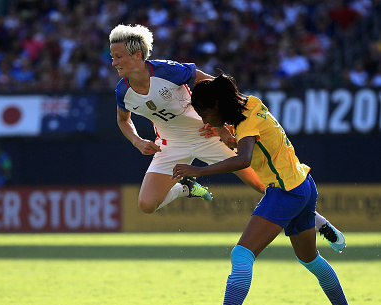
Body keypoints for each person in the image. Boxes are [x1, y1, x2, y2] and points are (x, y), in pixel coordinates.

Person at [108, 24, 345, 252]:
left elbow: (215, 86)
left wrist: (220, 125)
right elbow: (123, 120)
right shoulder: (123, 91)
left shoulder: (166, 71)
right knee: (147, 205)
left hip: (208, 134)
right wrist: (137, 141)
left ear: (137, 55)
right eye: (112, 56)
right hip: (171, 146)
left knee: (264, 186)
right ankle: (186, 189)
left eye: (118, 56)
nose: (113, 62)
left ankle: (320, 223)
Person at [175, 73, 364, 305]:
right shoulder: (252, 103)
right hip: (303, 184)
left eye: (205, 114)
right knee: (310, 260)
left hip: (285, 191)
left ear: (216, 104)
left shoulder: (244, 121)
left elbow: (243, 159)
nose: (204, 120)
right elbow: (249, 142)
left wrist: (200, 171)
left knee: (241, 255)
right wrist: (222, 131)